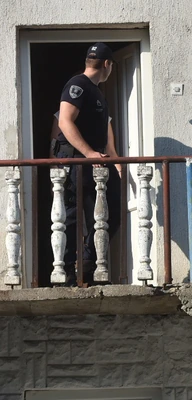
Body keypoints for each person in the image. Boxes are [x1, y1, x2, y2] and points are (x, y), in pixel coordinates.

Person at [55, 42, 122, 286]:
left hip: (95, 163)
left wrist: (111, 159)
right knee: (72, 217)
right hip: (76, 162)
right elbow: (65, 121)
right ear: (107, 64)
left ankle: (86, 260)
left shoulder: (96, 91)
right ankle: (70, 273)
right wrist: (89, 153)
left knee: (109, 214)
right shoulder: (78, 85)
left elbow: (104, 132)